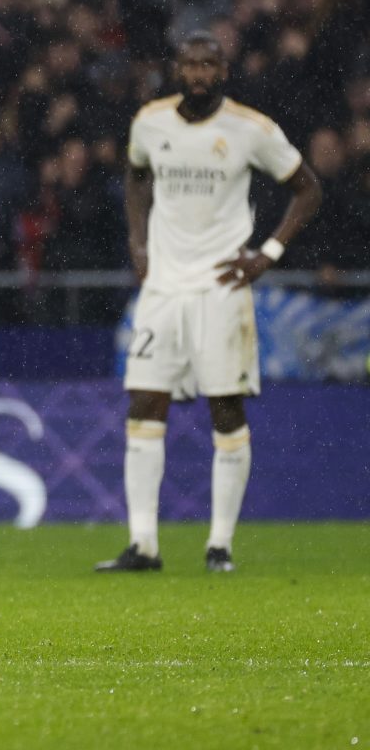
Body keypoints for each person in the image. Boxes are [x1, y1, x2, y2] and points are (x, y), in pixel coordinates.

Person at [97, 32, 320, 575]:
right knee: (144, 404)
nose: (198, 74)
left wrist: (267, 254)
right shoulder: (151, 122)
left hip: (221, 287)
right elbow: (136, 174)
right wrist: (138, 243)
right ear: (176, 69)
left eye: (208, 65)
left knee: (225, 408)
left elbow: (308, 188)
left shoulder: (250, 129)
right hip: (163, 288)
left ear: (224, 70)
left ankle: (219, 545)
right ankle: (143, 545)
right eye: (190, 64)